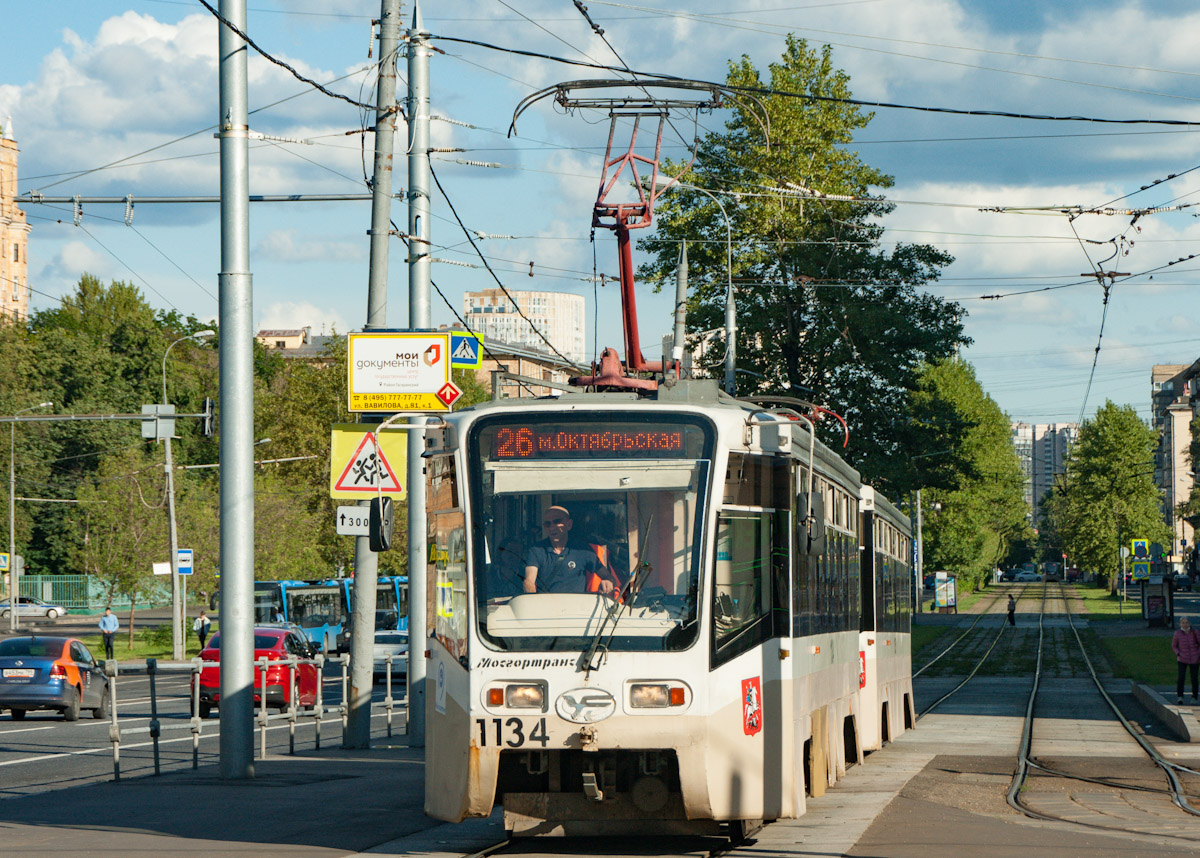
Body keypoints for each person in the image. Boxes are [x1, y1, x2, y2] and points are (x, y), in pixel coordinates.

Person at [523, 506, 615, 595]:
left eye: (557, 522)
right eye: (548, 524)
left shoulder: (582, 550)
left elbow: (608, 577)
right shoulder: (536, 550)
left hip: (576, 608)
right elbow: (529, 580)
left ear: (569, 524)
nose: (552, 527)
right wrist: (530, 591)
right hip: (546, 607)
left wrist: (608, 583)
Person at [1172, 616, 1200, 705]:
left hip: (1195, 659)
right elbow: (1174, 646)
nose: (1185, 624)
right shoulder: (1177, 633)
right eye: (1183, 623)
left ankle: (1194, 697)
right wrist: (1178, 653)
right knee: (1181, 678)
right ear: (1180, 624)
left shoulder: (1195, 632)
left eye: (1186, 622)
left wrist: (1198, 654)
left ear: (1189, 623)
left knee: (1194, 678)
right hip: (1182, 658)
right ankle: (1180, 696)